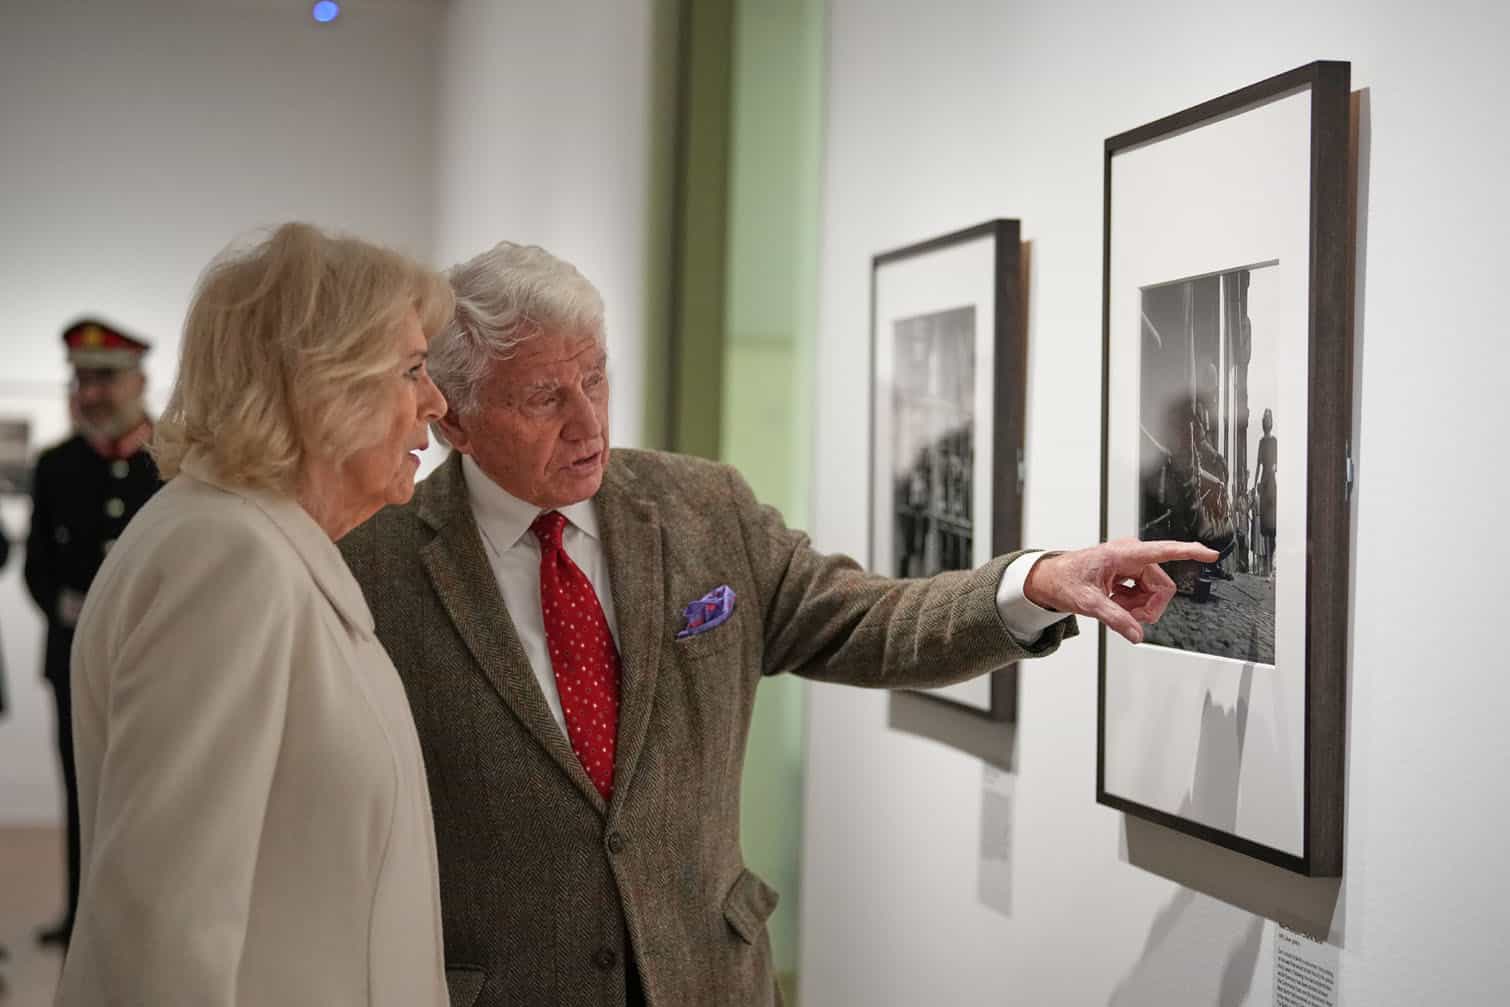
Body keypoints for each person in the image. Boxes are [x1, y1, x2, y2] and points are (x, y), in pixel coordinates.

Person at [340, 241, 1214, 1007]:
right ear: (451, 416)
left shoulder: (700, 507)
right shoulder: (371, 561)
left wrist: (1039, 581)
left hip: (711, 980)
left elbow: (864, 618)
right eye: (543, 396)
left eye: (597, 375)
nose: (589, 419)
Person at [55, 223, 453, 1006]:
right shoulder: (230, 557)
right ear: (324, 384)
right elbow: (162, 927)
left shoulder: (257, 541)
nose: (434, 402)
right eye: (411, 369)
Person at [23, 318, 162, 947]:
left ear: (139, 380)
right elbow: (37, 567)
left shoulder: (171, 461)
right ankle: (82, 913)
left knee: (152, 789)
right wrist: (68, 613)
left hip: (156, 661)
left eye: (106, 380)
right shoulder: (56, 466)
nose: (93, 393)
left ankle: (143, 915)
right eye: (82, 380)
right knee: (81, 787)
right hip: (73, 658)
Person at [1255, 407, 1278, 577]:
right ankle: (1267, 565)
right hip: (1263, 484)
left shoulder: (1274, 441)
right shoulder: (1262, 442)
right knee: (1264, 526)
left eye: (1268, 421)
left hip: (1271, 484)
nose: (1266, 424)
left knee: (1272, 526)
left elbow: (1276, 465)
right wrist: (1256, 483)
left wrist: (1267, 480)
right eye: (1265, 421)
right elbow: (1257, 464)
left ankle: (1271, 563)